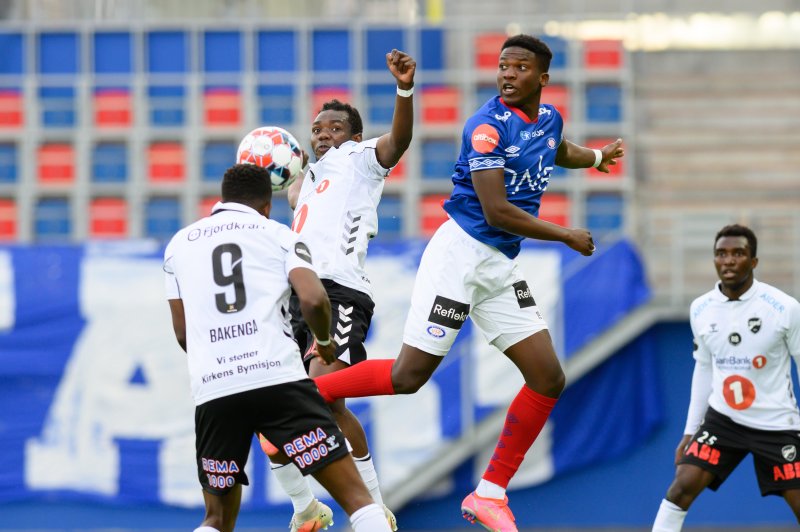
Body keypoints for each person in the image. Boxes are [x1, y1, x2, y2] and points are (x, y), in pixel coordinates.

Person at [308, 34, 625, 531]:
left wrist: (595, 158)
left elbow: (553, 148)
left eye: (519, 67)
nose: (507, 74)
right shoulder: (484, 127)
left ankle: (490, 493)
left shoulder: (547, 117)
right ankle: (306, 397)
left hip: (498, 265)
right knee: (409, 377)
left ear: (542, 78)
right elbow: (497, 210)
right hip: (460, 256)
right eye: (503, 66)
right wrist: (565, 235)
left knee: (548, 377)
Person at [163, 163, 392, 532]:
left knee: (216, 520)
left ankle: (304, 507)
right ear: (267, 205)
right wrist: (324, 343)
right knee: (359, 503)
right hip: (278, 382)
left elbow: (182, 333)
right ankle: (323, 508)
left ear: (222, 198)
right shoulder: (277, 234)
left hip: (214, 391)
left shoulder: (178, 246)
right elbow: (315, 300)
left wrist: (220, 362)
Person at [258, 48, 415, 532]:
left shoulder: (360, 159)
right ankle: (309, 508)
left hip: (340, 292)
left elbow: (400, 141)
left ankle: (368, 506)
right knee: (287, 401)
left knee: (319, 398)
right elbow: (284, 195)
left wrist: (404, 89)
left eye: (336, 127)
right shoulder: (303, 182)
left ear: (354, 136)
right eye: (319, 127)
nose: (324, 133)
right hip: (296, 297)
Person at [652, 224, 800, 531]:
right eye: (721, 254)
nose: (729, 261)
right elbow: (704, 368)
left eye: (738, 253)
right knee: (682, 486)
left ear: (754, 262)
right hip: (724, 420)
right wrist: (690, 430)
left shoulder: (784, 308)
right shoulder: (701, 308)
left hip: (776, 424)